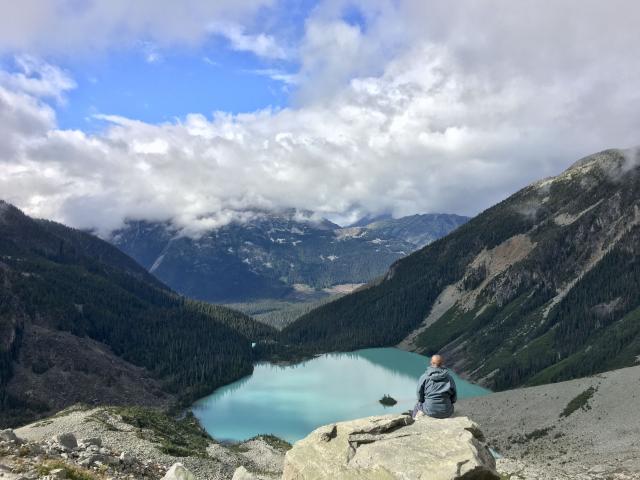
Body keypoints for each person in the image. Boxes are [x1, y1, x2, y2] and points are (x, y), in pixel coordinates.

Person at [412, 354, 457, 419]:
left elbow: (419, 394)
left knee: (417, 406)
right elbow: (454, 397)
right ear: (442, 363)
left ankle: (414, 422)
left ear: (431, 362)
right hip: (446, 411)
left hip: (429, 410)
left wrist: (422, 401)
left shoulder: (425, 377)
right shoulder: (449, 378)